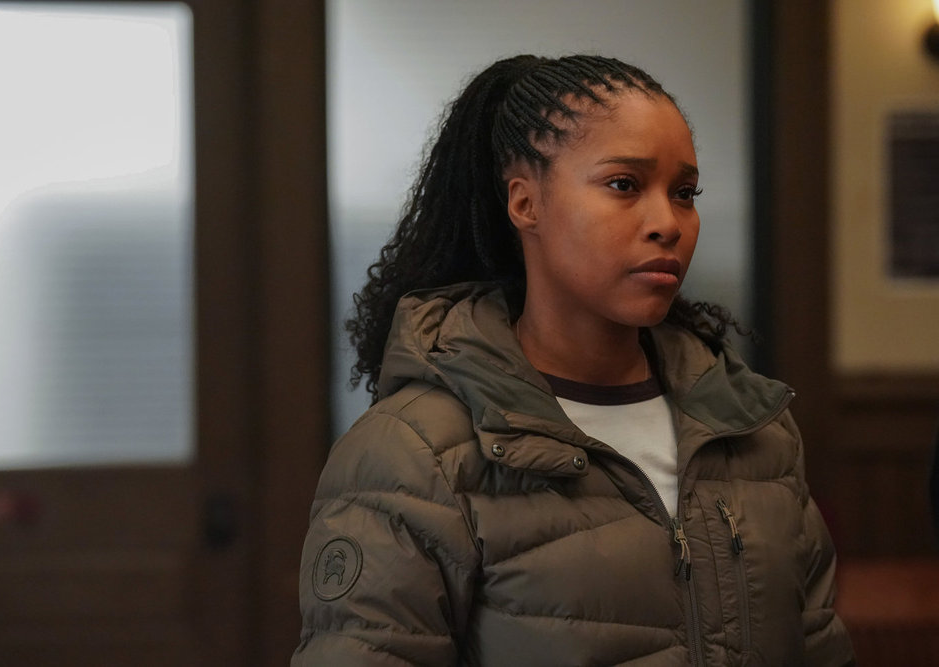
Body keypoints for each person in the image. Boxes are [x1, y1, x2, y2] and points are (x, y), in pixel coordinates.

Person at [293, 54, 854, 666]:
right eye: (624, 185)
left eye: (684, 193)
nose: (668, 223)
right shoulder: (415, 452)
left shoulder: (755, 430)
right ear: (525, 203)